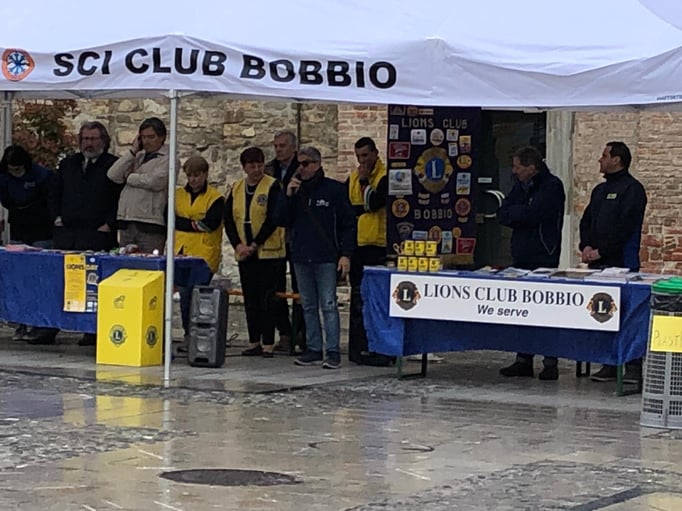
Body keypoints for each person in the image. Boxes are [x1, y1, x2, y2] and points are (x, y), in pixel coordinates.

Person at [43, 121, 122, 346]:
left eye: (94, 139)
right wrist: (56, 217)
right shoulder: (68, 163)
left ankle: (92, 331)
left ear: (103, 141)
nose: (89, 143)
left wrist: (110, 223)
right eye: (85, 139)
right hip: (67, 234)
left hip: (96, 235)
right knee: (59, 283)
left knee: (93, 286)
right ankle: (50, 327)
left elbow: (119, 198)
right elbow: (54, 192)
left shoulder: (112, 166)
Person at [580, 141, 647, 383]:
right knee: (602, 313)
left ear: (617, 159)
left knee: (627, 315)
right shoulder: (600, 191)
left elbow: (625, 227)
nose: (600, 159)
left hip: (622, 263)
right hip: (598, 265)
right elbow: (586, 220)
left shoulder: (632, 190)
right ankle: (608, 362)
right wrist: (586, 246)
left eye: (604, 155)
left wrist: (602, 251)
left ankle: (632, 367)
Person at [283, 146, 356, 369]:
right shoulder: (295, 191)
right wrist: (288, 197)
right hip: (301, 255)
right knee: (308, 304)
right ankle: (313, 348)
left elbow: (348, 224)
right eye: (298, 164)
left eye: (306, 164)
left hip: (326, 256)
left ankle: (332, 351)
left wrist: (345, 254)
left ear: (317, 164)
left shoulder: (334, 190)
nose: (301, 169)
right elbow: (281, 219)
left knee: (328, 304)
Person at [498, 146, 566, 381]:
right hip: (521, 255)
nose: (514, 171)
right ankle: (523, 359)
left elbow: (534, 214)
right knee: (522, 311)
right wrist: (521, 212)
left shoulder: (551, 186)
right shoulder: (520, 186)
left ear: (531, 167)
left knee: (546, 311)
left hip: (543, 255)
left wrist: (521, 213)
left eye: (518, 166)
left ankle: (550, 362)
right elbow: (503, 212)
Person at [224, 147, 285, 358]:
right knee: (250, 298)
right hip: (244, 252)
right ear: (244, 167)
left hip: (268, 252)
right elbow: (229, 220)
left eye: (260, 165)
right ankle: (254, 341)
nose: (257, 169)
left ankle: (268, 342)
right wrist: (238, 245)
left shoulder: (273, 186)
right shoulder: (236, 188)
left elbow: (273, 218)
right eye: (252, 166)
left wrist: (255, 243)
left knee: (267, 298)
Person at [346, 137, 392, 366]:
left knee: (378, 299)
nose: (362, 161)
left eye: (365, 155)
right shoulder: (352, 177)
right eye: (358, 156)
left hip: (378, 244)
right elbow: (348, 208)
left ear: (375, 153)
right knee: (358, 297)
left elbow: (374, 202)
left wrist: (365, 183)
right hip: (358, 245)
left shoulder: (385, 177)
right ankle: (358, 348)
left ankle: (380, 348)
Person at [171, 156, 225, 354]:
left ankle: (200, 336)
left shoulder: (215, 198)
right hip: (181, 252)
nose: (193, 180)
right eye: (190, 176)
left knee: (198, 296)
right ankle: (188, 334)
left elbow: (210, 224)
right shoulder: (177, 194)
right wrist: (193, 223)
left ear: (205, 174)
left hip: (204, 255)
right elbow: (169, 218)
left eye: (197, 175)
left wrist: (184, 223)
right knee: (184, 296)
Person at [0, 145, 53, 341]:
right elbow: (5, 199)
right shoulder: (4, 177)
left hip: (40, 227)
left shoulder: (41, 175)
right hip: (19, 227)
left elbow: (49, 198)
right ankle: (20, 324)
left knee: (39, 276)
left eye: (18, 169)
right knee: (19, 277)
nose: (15, 173)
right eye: (11, 169)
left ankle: (39, 324)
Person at [265, 130, 304, 353]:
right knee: (275, 286)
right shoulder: (269, 169)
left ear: (293, 148)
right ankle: (285, 332)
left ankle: (300, 333)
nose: (278, 150)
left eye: (282, 146)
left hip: (295, 234)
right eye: (276, 146)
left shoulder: (302, 168)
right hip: (274, 235)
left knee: (300, 287)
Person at [107, 117, 170, 253]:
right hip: (127, 221)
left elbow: (155, 182)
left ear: (162, 137)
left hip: (150, 223)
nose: (147, 141)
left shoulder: (168, 159)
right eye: (143, 137)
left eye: (151, 137)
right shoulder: (137, 156)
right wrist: (132, 152)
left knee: (149, 262)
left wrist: (129, 177)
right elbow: (112, 174)